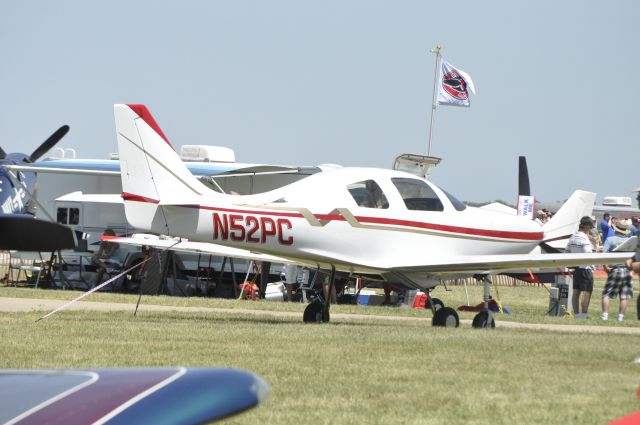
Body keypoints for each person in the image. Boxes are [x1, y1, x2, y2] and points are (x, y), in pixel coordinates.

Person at [601, 219, 633, 321]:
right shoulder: (630, 241)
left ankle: (605, 316)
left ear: (616, 230)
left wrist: (605, 267)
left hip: (615, 269)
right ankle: (620, 317)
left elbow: (604, 255)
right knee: (624, 296)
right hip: (627, 271)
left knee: (607, 294)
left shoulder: (610, 240)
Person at [566, 216, 595, 316]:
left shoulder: (573, 237)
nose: (590, 229)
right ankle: (583, 315)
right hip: (585, 268)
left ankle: (577, 314)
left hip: (576, 268)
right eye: (590, 227)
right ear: (586, 226)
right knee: (587, 292)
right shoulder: (584, 238)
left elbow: (567, 251)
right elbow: (588, 254)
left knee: (576, 292)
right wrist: (593, 265)